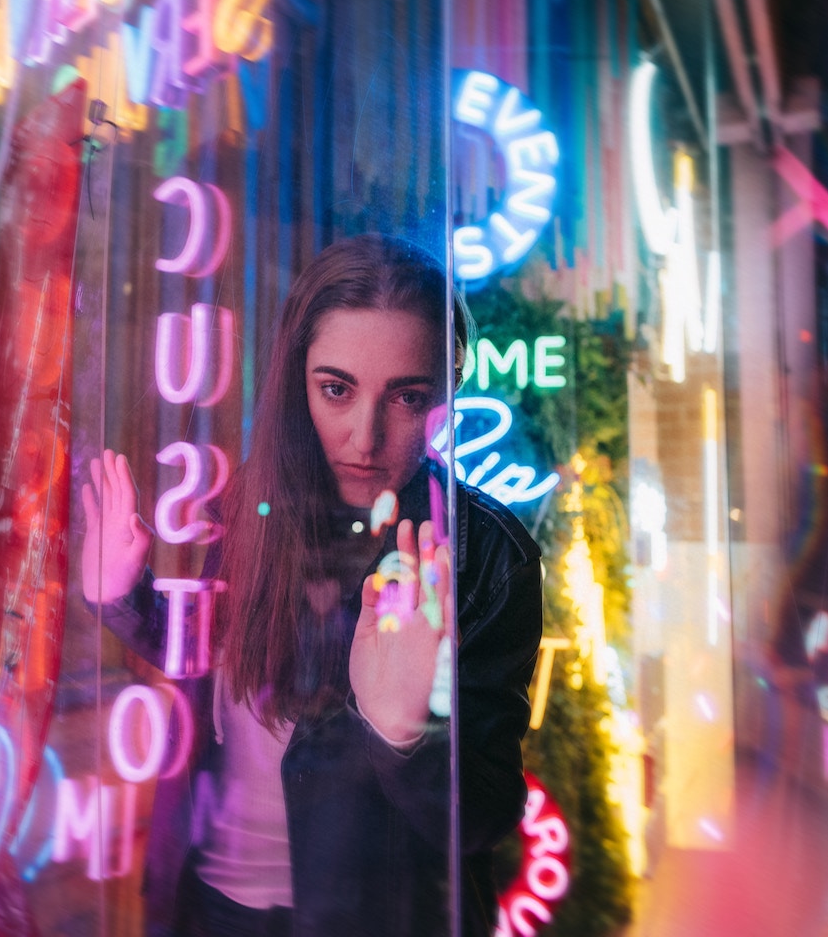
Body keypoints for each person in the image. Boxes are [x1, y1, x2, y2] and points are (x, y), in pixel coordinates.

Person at [80, 234, 542, 937]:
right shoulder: (256, 505)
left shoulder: (483, 556)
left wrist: (406, 737)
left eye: (407, 396)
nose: (364, 435)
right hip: (208, 906)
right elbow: (228, 659)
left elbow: (484, 816)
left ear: (445, 397)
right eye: (336, 389)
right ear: (297, 380)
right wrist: (124, 597)